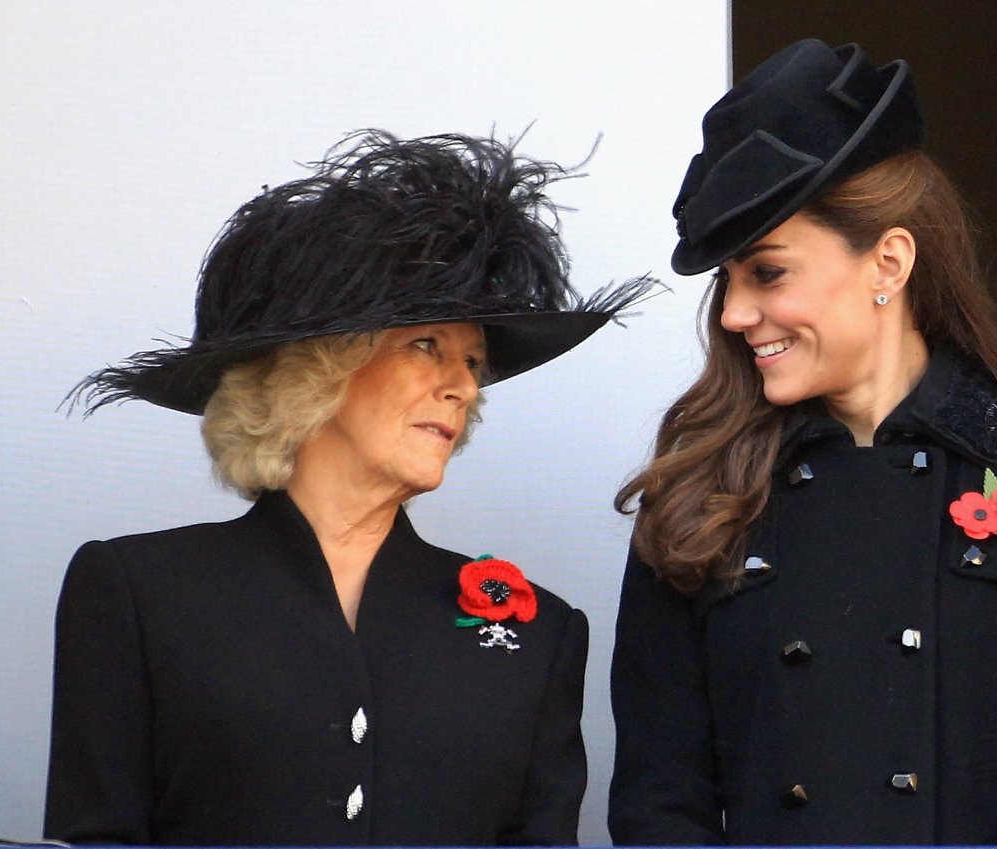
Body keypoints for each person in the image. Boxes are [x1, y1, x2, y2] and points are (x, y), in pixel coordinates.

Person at [46, 130, 653, 846]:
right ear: (314, 371)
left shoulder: (538, 634)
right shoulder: (138, 595)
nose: (461, 385)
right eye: (426, 345)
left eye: (472, 361)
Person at [608, 39, 997, 845]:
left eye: (768, 273)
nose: (732, 314)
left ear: (887, 262)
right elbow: (659, 798)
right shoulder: (696, 499)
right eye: (729, 281)